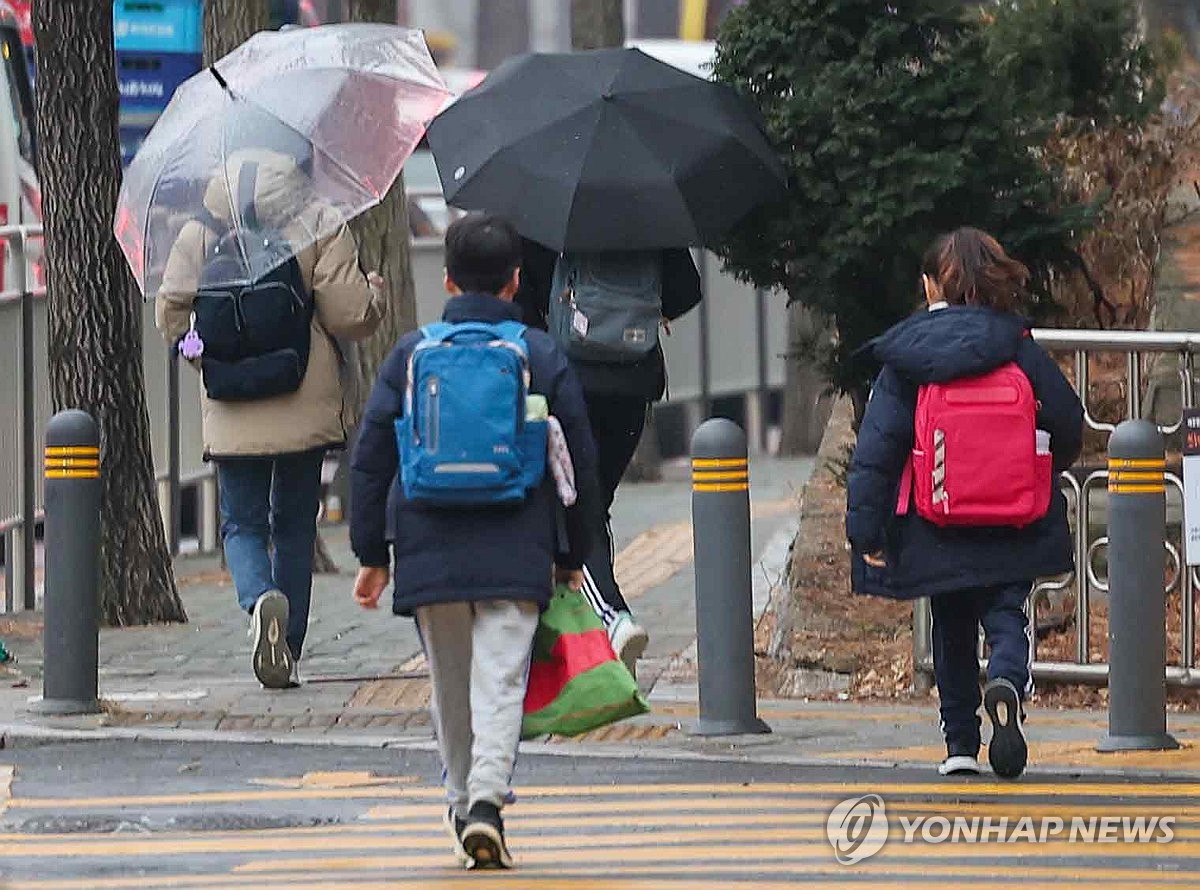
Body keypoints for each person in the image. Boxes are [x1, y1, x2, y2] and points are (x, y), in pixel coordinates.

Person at [350, 214, 598, 870]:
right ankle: (486, 800)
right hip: (518, 544)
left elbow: (372, 456)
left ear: (449, 279)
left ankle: (462, 804)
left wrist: (372, 552)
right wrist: (574, 553)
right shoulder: (539, 354)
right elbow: (581, 459)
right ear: (517, 282)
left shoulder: (411, 355)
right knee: (502, 678)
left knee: (450, 684)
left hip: (428, 544)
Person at [845, 228, 1083, 780]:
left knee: (950, 626)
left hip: (937, 517)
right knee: (1006, 611)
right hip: (1013, 515)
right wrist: (1041, 467)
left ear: (930, 286)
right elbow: (1067, 419)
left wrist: (866, 530)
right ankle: (1005, 674)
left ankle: (959, 747)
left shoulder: (909, 356)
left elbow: (877, 451)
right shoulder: (1016, 345)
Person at [157, 136, 384, 690]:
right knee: (292, 524)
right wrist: (375, 291)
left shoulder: (201, 228)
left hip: (232, 400)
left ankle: (260, 600)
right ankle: (291, 649)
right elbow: (350, 313)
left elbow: (172, 316)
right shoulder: (316, 219)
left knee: (241, 522)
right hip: (303, 394)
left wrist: (202, 356)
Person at [516, 240, 702, 672]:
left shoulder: (550, 219)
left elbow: (524, 300)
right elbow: (686, 290)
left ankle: (613, 620)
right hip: (633, 382)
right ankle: (603, 643)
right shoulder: (649, 214)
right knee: (592, 506)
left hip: (570, 379)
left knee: (580, 508)